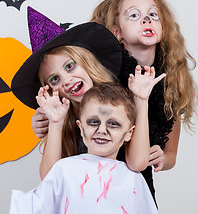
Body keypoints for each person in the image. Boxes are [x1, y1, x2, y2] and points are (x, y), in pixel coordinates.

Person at [11, 7, 164, 182]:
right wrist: (55, 124)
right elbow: (49, 179)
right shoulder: (63, 116)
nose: (67, 80)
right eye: (55, 79)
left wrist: (141, 100)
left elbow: (138, 163)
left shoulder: (120, 101)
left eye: (69, 66)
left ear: (87, 62)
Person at [90, 0, 197, 201]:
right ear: (116, 32)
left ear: (163, 27)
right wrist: (43, 119)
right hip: (96, 185)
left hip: (139, 189)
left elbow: (170, 153)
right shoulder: (102, 75)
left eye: (153, 14)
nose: (146, 19)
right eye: (134, 15)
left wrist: (164, 158)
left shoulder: (171, 79)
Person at [9, 83, 158, 214]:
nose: (102, 130)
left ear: (129, 133)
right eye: (93, 122)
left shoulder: (132, 179)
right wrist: (55, 124)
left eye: (113, 124)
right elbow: (40, 205)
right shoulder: (64, 168)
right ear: (81, 128)